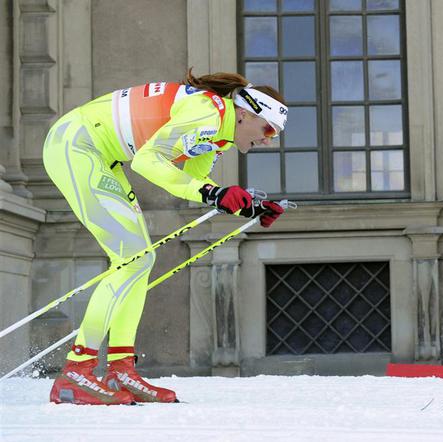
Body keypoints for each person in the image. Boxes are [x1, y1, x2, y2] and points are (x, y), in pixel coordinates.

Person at [44, 69, 287, 405]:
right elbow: (147, 161)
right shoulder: (208, 113)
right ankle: (76, 371)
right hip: (76, 145)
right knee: (133, 259)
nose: (268, 140)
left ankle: (120, 369)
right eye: (268, 129)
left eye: (275, 135)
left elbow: (191, 183)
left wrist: (249, 207)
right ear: (244, 114)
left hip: (101, 156)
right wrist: (213, 192)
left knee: (140, 260)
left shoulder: (216, 136)